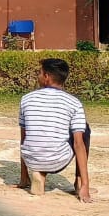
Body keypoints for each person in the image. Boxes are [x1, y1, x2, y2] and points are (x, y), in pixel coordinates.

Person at [16, 58, 93, 203]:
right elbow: (78, 144)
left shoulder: (26, 99)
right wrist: (86, 185)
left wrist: (23, 177)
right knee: (84, 130)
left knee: (34, 134)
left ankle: (36, 175)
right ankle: (78, 183)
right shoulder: (74, 103)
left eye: (39, 72)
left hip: (31, 160)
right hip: (57, 161)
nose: (38, 76)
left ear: (46, 77)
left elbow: (24, 138)